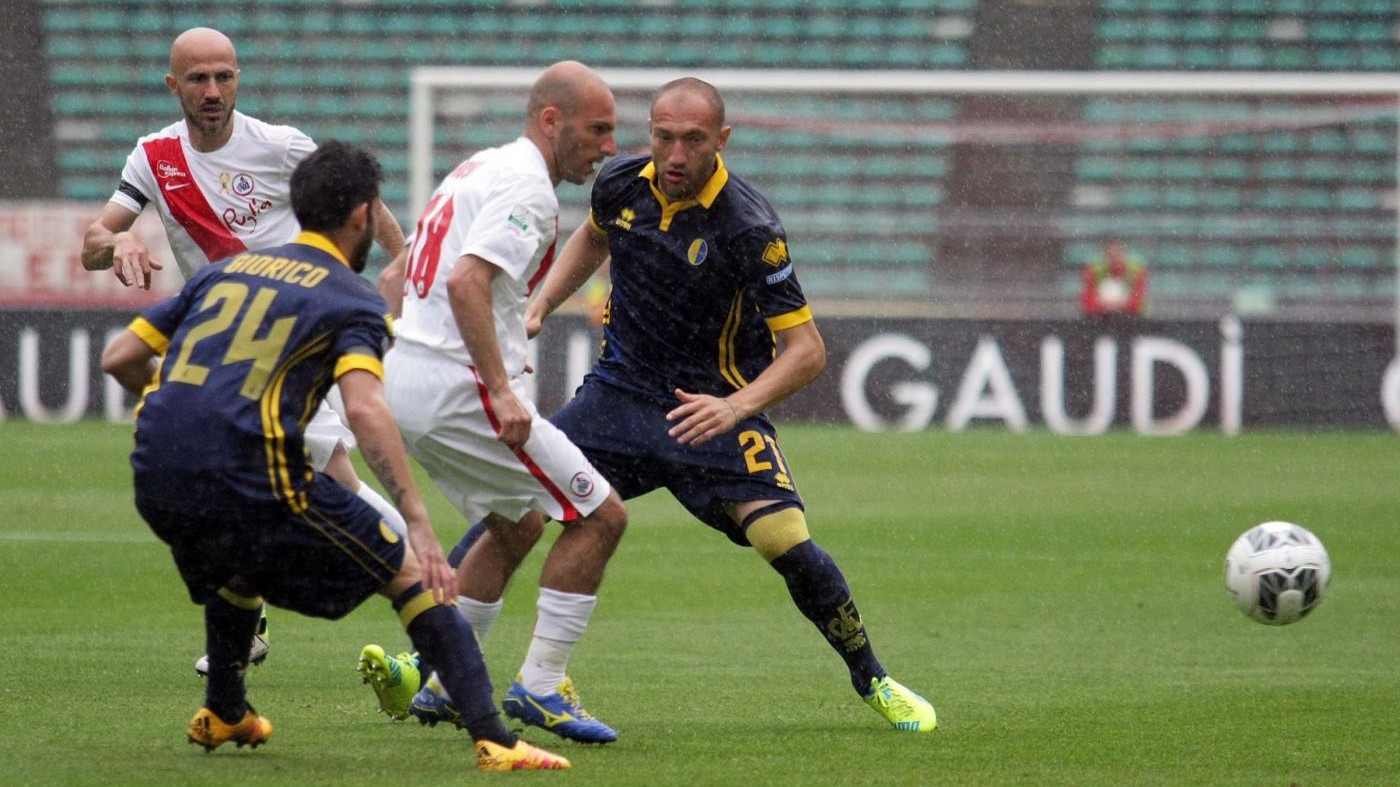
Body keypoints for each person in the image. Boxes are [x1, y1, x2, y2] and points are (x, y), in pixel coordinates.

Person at [406, 77, 937, 734]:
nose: (675, 154)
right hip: (618, 396)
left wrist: (735, 406)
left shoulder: (750, 225)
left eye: (692, 140)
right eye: (663, 137)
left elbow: (807, 351)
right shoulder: (623, 183)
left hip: (706, 409)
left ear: (723, 140)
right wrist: (543, 300)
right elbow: (594, 239)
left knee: (783, 539)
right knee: (518, 502)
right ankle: (435, 660)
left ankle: (872, 676)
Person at [99, 141, 569, 771]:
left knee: (238, 567)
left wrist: (181, 412)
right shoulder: (351, 299)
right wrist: (419, 520)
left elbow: (120, 358)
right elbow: (368, 409)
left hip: (156, 472)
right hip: (251, 473)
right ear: (362, 217)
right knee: (410, 572)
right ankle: (496, 739)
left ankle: (225, 710)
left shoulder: (224, 271)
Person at [80, 27, 409, 673]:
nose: (212, 91)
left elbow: (365, 203)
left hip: (290, 340)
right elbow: (95, 236)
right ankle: (403, 595)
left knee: (332, 477)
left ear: (238, 79)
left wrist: (407, 268)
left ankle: (429, 583)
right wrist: (116, 244)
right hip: (219, 349)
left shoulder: (282, 146)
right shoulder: (154, 158)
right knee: (248, 482)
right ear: (173, 86)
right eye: (198, 79)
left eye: (223, 77)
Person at [355, 61, 629, 744]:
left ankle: (448, 682)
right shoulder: (528, 190)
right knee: (600, 515)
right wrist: (502, 390)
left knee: (517, 525)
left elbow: (402, 268)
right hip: (459, 387)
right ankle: (540, 684)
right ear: (550, 120)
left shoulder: (478, 167)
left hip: (410, 377)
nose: (608, 147)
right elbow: (467, 282)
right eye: (598, 130)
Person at [1081, 239, 1148, 318]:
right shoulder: (1094, 270)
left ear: (1124, 253)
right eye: (1111, 254)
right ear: (1105, 254)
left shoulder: (1136, 270)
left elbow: (1139, 301)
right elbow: (1088, 300)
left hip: (1132, 318)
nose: (1115, 257)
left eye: (1118, 252)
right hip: (1100, 318)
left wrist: (1117, 306)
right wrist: (1106, 306)